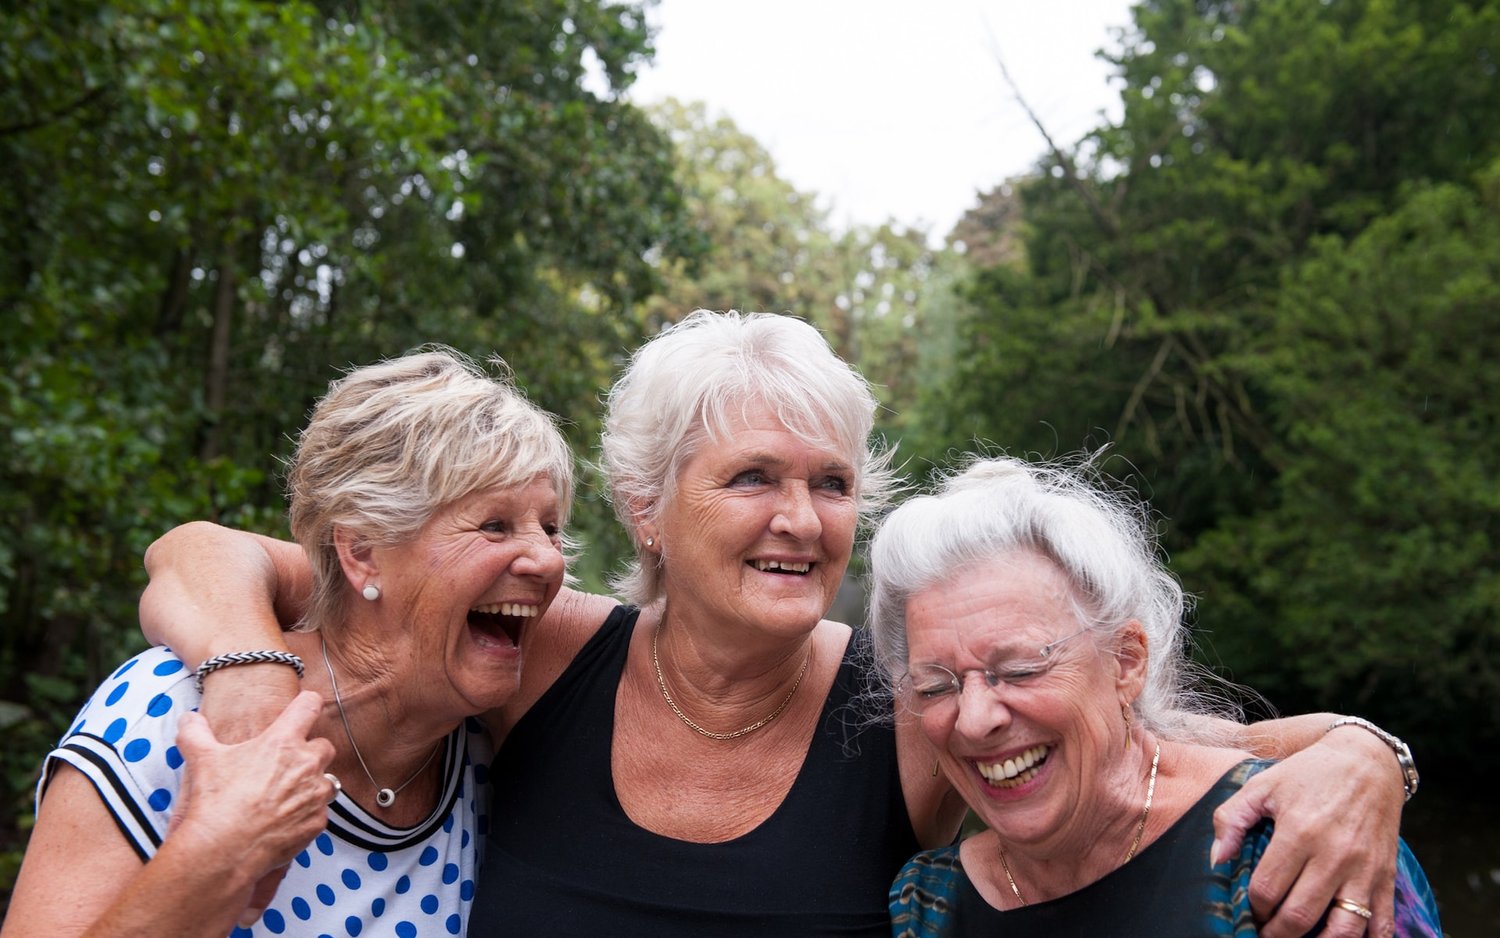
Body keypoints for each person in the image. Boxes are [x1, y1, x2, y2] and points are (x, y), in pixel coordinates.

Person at [139, 311, 1414, 937]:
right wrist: (248, 677)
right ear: (645, 505)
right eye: (752, 477)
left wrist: (1363, 752)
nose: (800, 520)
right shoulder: (536, 653)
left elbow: (1151, 749)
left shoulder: (907, 716)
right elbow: (197, 552)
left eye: (832, 483)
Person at [3, 349, 573, 937]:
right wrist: (219, 853)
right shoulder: (172, 711)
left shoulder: (492, 748)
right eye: (494, 525)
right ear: (363, 553)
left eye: (551, 528)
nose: (546, 559)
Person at [872, 457, 1441, 936]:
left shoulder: (1292, 838)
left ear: (1126, 662)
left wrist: (1368, 750)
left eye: (1018, 670)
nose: (974, 720)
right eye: (936, 685)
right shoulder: (928, 902)